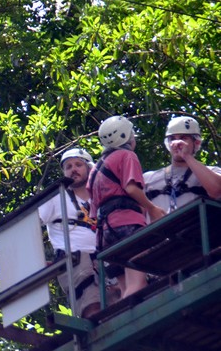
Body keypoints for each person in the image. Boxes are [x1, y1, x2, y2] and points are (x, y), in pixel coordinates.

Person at [87, 116, 166, 299]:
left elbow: (93, 211)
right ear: (125, 136)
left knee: (125, 287)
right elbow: (131, 188)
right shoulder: (127, 156)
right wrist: (152, 208)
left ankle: (123, 316)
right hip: (127, 224)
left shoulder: (95, 170)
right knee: (138, 281)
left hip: (105, 234)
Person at [36, 147, 101, 317]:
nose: (73, 169)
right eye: (68, 166)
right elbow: (31, 225)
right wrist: (37, 261)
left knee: (117, 299)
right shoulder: (56, 198)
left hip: (103, 257)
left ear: (89, 168)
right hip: (76, 260)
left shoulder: (100, 197)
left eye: (78, 165)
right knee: (91, 303)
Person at [144, 115, 221, 213]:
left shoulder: (212, 172)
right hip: (162, 228)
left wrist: (187, 156)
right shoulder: (148, 179)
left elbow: (217, 190)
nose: (177, 143)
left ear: (196, 143)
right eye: (172, 139)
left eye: (183, 138)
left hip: (196, 227)